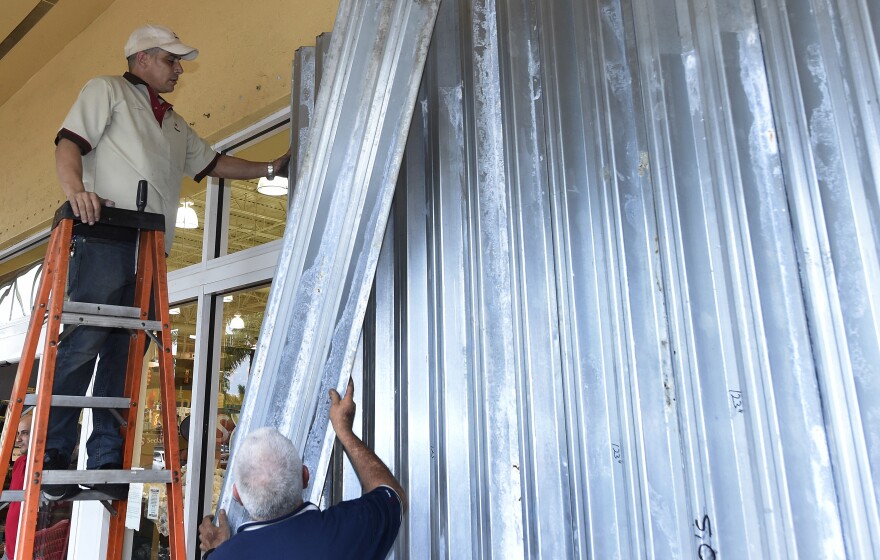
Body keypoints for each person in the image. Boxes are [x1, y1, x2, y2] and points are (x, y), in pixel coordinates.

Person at [43, 23, 291, 498]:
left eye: (178, 62)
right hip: (104, 234)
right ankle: (55, 456)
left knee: (124, 354)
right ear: (141, 59)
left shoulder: (175, 125)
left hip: (149, 249)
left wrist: (269, 168)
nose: (179, 68)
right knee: (83, 342)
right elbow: (68, 144)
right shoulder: (108, 91)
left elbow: (213, 163)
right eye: (171, 60)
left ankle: (105, 461)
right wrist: (77, 193)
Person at [198, 379, 406, 559]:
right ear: (305, 476)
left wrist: (218, 552)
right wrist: (344, 431)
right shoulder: (347, 532)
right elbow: (392, 494)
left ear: (238, 495)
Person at [3, 413, 32, 559]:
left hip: (26, 551)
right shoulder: (19, 462)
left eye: (25, 433)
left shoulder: (41, 467)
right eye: (18, 434)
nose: (18, 439)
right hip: (10, 549)